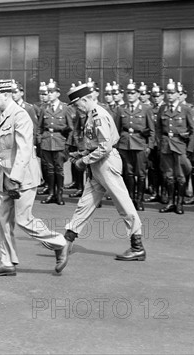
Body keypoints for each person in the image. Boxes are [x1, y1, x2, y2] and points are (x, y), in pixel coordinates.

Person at [55, 81, 146, 274]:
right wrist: (81, 155)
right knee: (85, 203)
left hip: (106, 164)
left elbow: (105, 147)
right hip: (98, 165)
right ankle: (68, 239)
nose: (76, 108)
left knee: (123, 203)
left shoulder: (98, 116)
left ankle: (137, 247)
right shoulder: (91, 115)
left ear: (87, 99)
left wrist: (84, 160)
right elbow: (96, 144)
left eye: (77, 103)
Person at [0, 79, 66, 277]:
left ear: (6, 95)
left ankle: (59, 243)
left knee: (23, 220)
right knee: (1, 218)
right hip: (5, 175)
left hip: (22, 177)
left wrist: (15, 179)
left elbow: (25, 149)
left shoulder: (20, 115)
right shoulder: (4, 114)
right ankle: (7, 262)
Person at [115, 79, 155, 211]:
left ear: (138, 93)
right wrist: (116, 146)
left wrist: (149, 146)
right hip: (125, 144)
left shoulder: (146, 109)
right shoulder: (121, 109)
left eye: (133, 92)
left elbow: (152, 129)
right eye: (128, 92)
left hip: (140, 143)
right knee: (128, 173)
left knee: (141, 173)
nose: (130, 95)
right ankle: (130, 198)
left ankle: (139, 200)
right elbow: (117, 129)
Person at [157, 79, 194, 215]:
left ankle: (179, 203)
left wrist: (190, 148)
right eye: (168, 92)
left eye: (172, 92)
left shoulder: (186, 109)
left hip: (179, 145)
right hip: (166, 145)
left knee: (180, 176)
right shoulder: (163, 108)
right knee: (169, 175)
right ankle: (170, 202)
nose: (170, 95)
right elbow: (158, 128)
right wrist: (159, 143)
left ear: (178, 94)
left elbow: (193, 129)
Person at [38, 79, 73, 205]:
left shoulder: (65, 108)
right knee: (50, 169)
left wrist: (67, 144)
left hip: (60, 142)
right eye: (48, 92)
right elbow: (40, 126)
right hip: (47, 142)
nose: (49, 94)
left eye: (52, 92)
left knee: (59, 169)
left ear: (58, 93)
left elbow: (71, 129)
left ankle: (59, 194)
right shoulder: (44, 108)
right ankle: (51, 193)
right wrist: (39, 139)